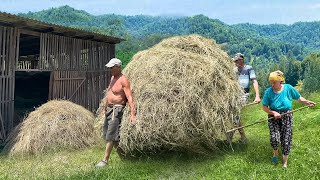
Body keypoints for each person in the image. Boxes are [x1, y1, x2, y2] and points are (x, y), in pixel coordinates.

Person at [262, 70, 316, 169]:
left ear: (280, 81)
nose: (272, 84)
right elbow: (264, 107)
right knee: (274, 139)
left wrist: (308, 102)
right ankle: (275, 154)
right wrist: (273, 112)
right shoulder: (268, 92)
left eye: (274, 82)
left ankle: (284, 163)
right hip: (273, 117)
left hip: (287, 116)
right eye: (271, 82)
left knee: (286, 140)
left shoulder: (288, 88)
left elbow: (299, 98)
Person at [96, 58, 136, 167]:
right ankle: (126, 158)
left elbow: (129, 97)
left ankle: (105, 161)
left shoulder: (124, 80)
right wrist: (105, 108)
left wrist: (133, 114)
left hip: (117, 110)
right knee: (111, 136)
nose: (110, 69)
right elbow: (109, 93)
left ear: (118, 67)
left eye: (112, 67)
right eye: (110, 67)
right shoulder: (113, 77)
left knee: (111, 135)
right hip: (109, 109)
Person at [230, 53, 261, 142]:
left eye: (237, 61)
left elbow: (254, 81)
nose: (235, 62)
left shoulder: (248, 68)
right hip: (235, 95)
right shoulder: (234, 70)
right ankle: (243, 137)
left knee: (236, 115)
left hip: (244, 94)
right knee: (235, 115)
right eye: (235, 61)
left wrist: (257, 96)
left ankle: (230, 136)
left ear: (241, 60)